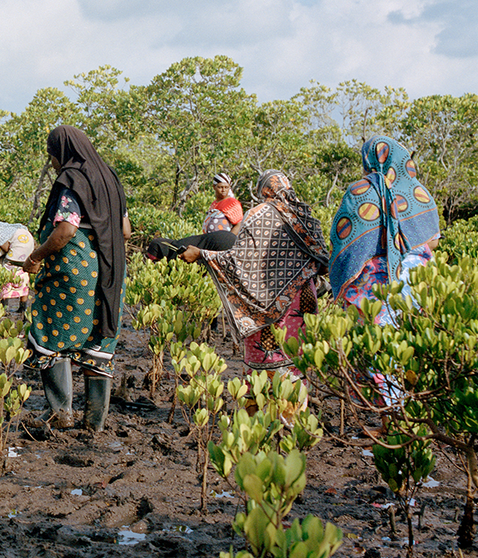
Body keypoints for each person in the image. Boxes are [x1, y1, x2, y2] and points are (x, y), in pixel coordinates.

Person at [22, 126, 130, 431]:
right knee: (98, 343)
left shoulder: (72, 179)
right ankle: (95, 422)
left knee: (52, 332)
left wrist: (36, 256)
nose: (53, 163)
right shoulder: (110, 178)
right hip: (110, 276)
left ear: (62, 151)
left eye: (52, 156)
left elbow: (66, 230)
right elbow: (125, 231)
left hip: (74, 276)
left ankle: (61, 412)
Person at [181, 170, 328, 374]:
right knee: (296, 363)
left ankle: (261, 402)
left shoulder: (257, 215)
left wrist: (202, 254)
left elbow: (237, 261)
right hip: (301, 302)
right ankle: (295, 404)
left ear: (263, 190)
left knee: (263, 373)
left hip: (263, 307)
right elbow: (324, 262)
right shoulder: (304, 215)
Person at [330, 136, 440, 404]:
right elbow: (433, 240)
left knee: (376, 349)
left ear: (369, 159)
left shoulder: (360, 191)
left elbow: (345, 241)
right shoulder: (419, 192)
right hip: (416, 280)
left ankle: (388, 417)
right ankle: (406, 417)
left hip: (372, 284)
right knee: (408, 348)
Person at [144, 171, 242, 262]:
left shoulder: (232, 203)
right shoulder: (214, 203)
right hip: (208, 242)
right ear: (214, 187)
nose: (223, 190)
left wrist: (228, 243)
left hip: (220, 245)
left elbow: (239, 224)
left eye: (226, 187)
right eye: (220, 187)